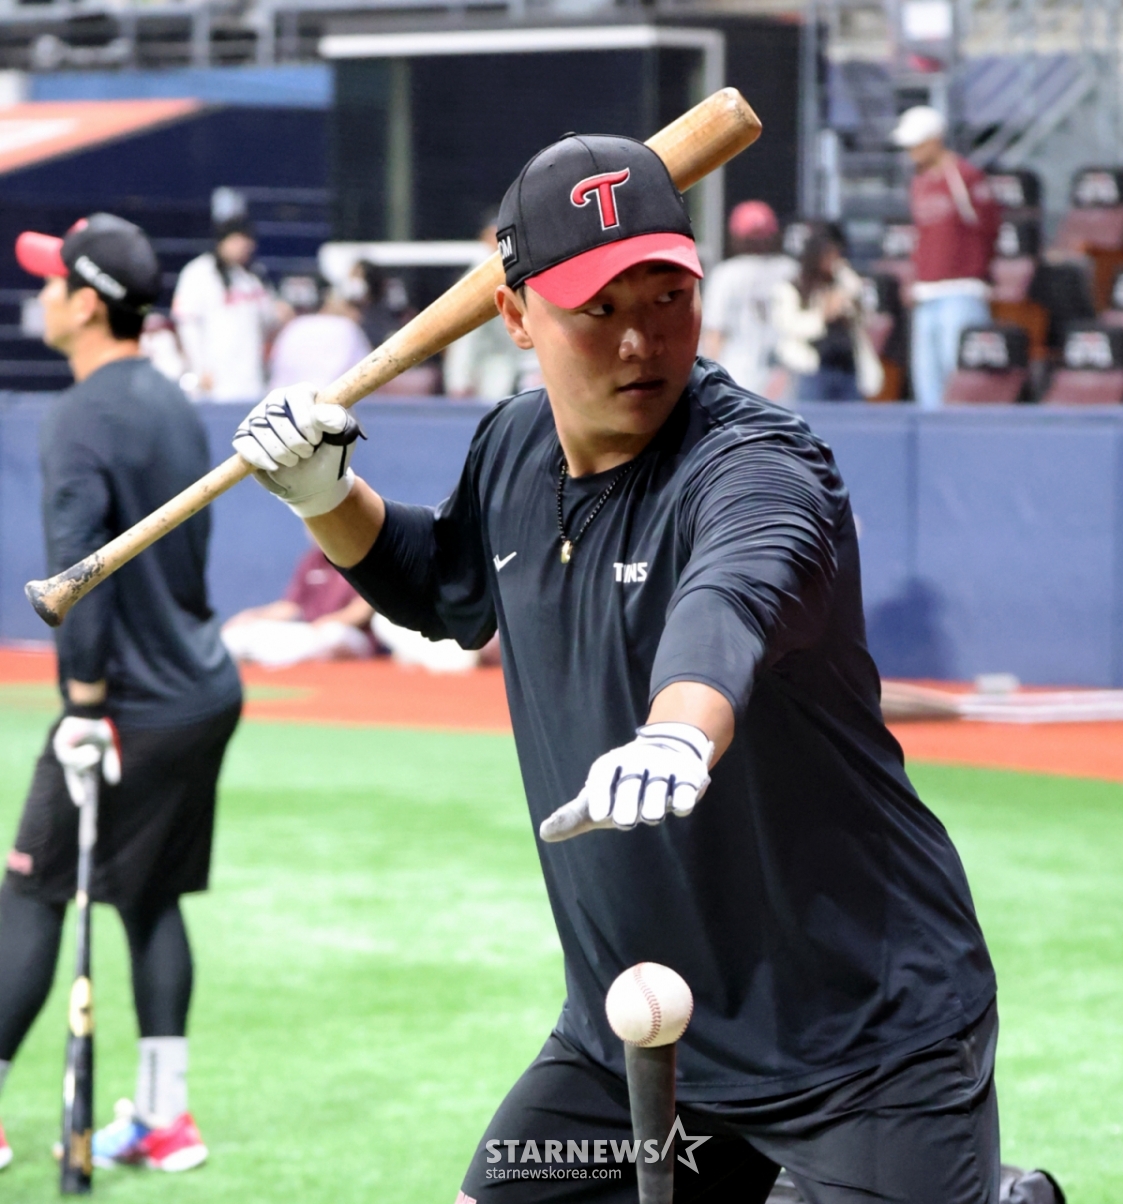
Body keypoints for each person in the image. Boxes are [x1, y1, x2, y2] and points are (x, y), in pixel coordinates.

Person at [232, 133, 998, 1203]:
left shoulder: (759, 463)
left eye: (666, 297)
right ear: (515, 317)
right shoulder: (509, 448)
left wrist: (680, 728)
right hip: (632, 1031)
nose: (642, 340)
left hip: (861, 1037)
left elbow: (731, 594)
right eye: (598, 309)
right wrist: (324, 496)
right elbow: (445, 585)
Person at [0, 214, 243, 1174]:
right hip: (199, 691)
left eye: (54, 280)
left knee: (30, 888)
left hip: (125, 704)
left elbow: (78, 581)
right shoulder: (169, 401)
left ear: (89, 303)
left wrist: (87, 708)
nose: (40, 294)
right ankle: (164, 1119)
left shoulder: (82, 415)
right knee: (149, 899)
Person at [893, 106, 1001, 409]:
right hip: (926, 293)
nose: (912, 150)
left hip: (961, 291)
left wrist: (976, 268)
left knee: (959, 380)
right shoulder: (919, 182)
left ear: (935, 139)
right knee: (927, 381)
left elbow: (989, 226)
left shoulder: (965, 176)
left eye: (917, 143)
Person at [171, 216, 283, 402]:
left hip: (251, 377)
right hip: (216, 377)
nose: (244, 245)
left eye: (247, 240)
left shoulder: (253, 276)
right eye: (238, 239)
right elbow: (187, 324)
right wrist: (200, 368)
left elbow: (270, 320)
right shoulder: (199, 272)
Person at [772, 223, 883, 402]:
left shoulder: (841, 284)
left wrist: (846, 284)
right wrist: (823, 315)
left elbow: (865, 319)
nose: (833, 261)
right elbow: (790, 327)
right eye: (828, 256)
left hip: (846, 368)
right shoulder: (794, 288)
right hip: (812, 370)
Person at [222, 542, 377, 667]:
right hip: (310, 632)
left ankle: (277, 660)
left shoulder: (360, 558)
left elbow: (362, 610)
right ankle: (276, 660)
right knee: (238, 635)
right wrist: (253, 616)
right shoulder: (311, 559)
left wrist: (325, 624)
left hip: (349, 635)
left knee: (332, 634)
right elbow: (290, 607)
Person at [699, 200, 797, 398]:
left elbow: (714, 335)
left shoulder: (726, 273)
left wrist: (707, 384)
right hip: (785, 378)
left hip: (736, 377)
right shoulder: (791, 270)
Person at [444, 211, 538, 401]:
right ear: (485, 239)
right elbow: (466, 335)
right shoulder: (475, 279)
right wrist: (459, 380)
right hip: (492, 369)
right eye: (494, 237)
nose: (498, 244)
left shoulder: (530, 269)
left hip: (528, 364)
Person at [267, 282, 372, 391]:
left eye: (360, 308)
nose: (357, 313)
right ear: (331, 301)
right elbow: (369, 373)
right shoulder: (347, 327)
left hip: (282, 403)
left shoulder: (296, 324)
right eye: (351, 305)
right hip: (326, 403)